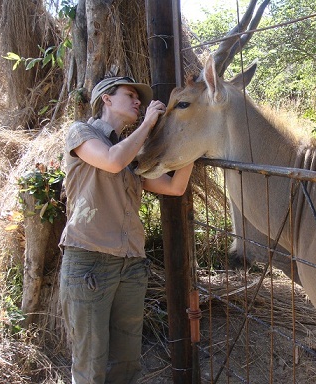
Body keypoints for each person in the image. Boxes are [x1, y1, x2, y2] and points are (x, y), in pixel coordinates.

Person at [59, 76, 194, 384]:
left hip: (132, 265)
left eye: (139, 98)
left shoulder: (132, 157)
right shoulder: (83, 133)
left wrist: (192, 146)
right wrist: (147, 124)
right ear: (106, 99)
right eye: (130, 95)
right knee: (90, 363)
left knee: (127, 363)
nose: (138, 102)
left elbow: (175, 187)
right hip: (89, 262)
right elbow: (111, 160)